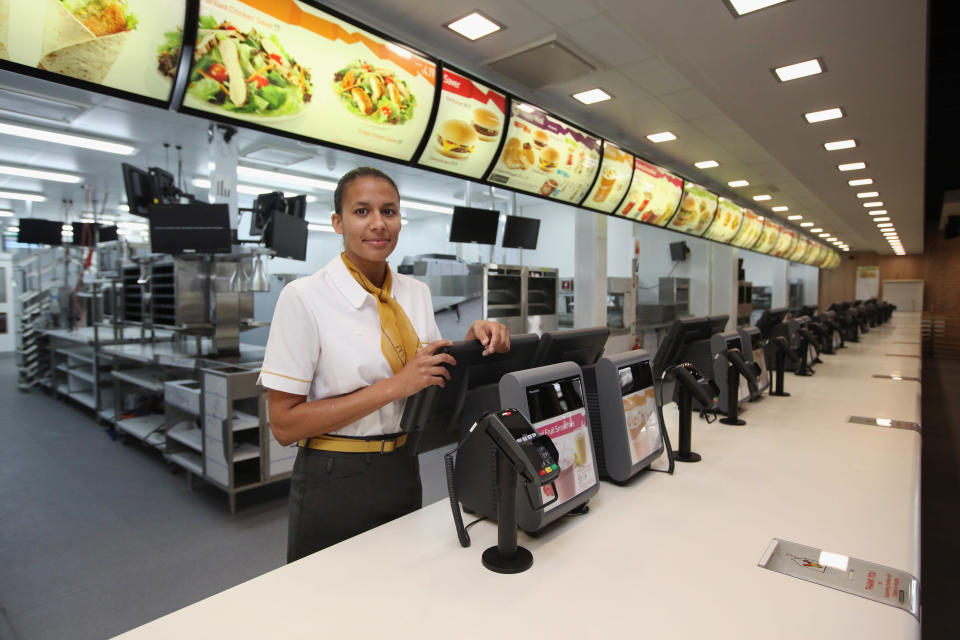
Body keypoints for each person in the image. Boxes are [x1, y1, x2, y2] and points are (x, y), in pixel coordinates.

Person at [258, 166, 511, 562]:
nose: (378, 224)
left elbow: (427, 378)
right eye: (362, 212)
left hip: (403, 468)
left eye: (389, 212)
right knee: (328, 604)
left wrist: (472, 344)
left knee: (400, 594)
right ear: (338, 223)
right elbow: (284, 425)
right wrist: (395, 386)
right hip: (334, 476)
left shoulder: (416, 293)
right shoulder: (304, 297)